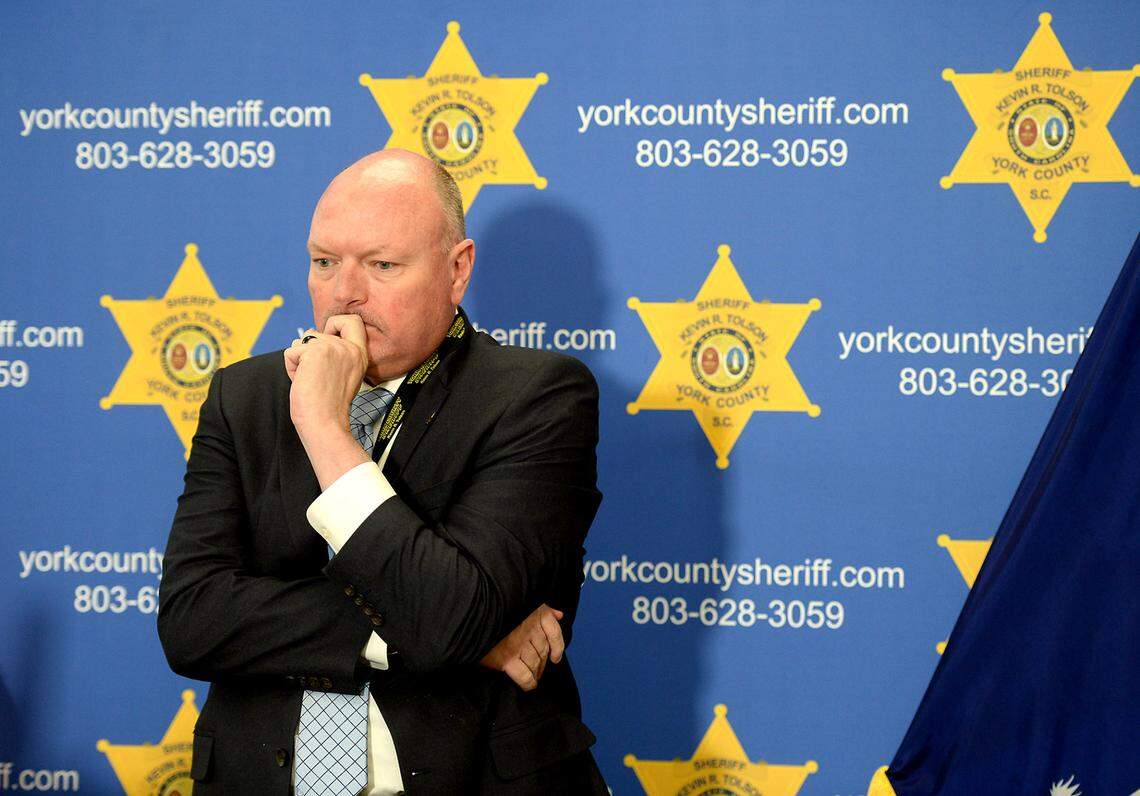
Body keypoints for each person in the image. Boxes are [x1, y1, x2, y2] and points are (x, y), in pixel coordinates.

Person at [157, 148, 607, 794]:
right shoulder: (244, 398)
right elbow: (191, 620)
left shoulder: (538, 398)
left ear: (457, 271)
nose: (345, 293)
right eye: (323, 263)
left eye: (382, 265)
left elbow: (449, 615)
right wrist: (453, 636)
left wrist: (324, 428)